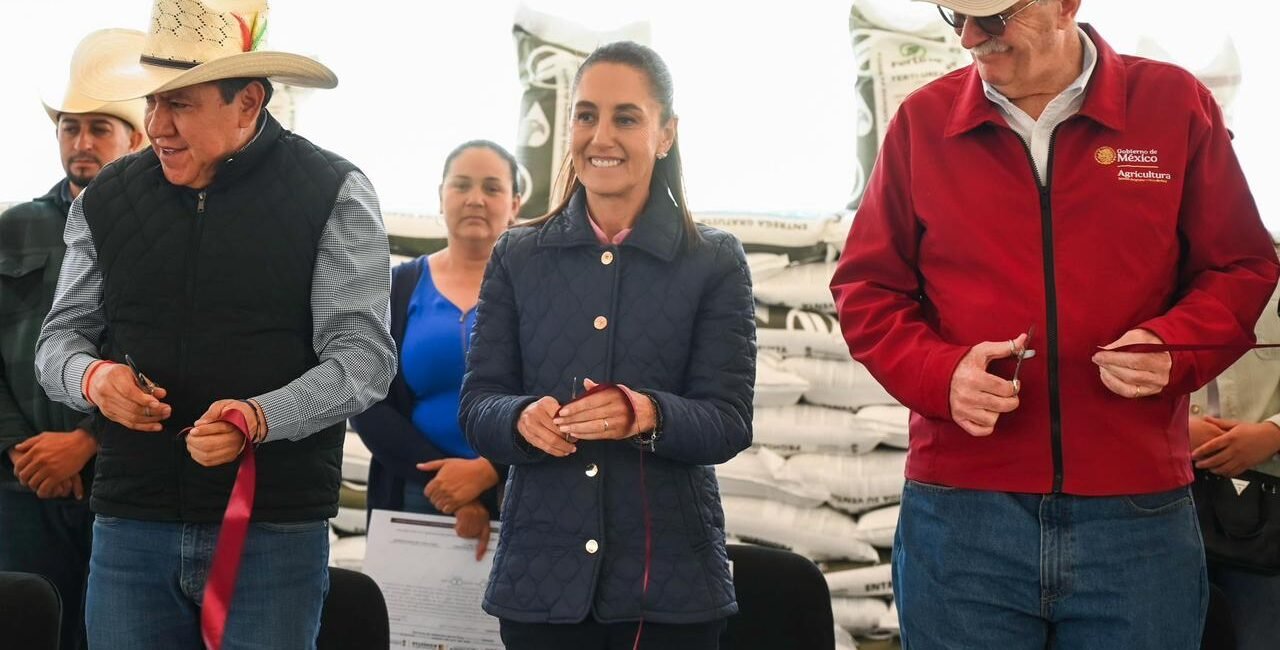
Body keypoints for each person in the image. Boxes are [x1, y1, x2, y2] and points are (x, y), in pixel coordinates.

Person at [828, 1, 1279, 648]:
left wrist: (1172, 345)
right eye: (955, 16)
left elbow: (1241, 265)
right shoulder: (920, 125)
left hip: (1137, 519)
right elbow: (867, 289)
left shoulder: (1172, 106)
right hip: (963, 518)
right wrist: (941, 373)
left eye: (995, 15)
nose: (971, 38)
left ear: (1067, 3)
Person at [33, 2, 396, 648]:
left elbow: (363, 360)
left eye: (182, 104)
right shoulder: (107, 200)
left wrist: (257, 418)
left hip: (273, 529)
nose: (156, 124)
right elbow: (57, 344)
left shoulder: (333, 192)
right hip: (128, 526)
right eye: (153, 101)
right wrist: (94, 379)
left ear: (250, 101)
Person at [460, 41, 755, 650]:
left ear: (666, 134)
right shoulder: (517, 256)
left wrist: (646, 414)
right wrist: (520, 420)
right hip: (541, 587)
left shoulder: (714, 261)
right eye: (586, 114)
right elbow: (478, 406)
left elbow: (728, 422)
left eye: (627, 117)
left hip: (670, 591)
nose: (601, 136)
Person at [0, 70, 145, 650]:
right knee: (24, 628)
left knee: (106, 635)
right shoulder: (15, 229)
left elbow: (166, 356)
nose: (81, 142)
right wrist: (21, 448)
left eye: (99, 128)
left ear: (133, 138)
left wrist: (85, 442)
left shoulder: (156, 234)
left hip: (119, 480)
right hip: (20, 483)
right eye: (70, 127)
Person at [351, 140, 520, 559]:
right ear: (441, 196)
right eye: (461, 185)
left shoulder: (539, 295)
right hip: (410, 492)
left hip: (515, 495)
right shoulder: (396, 287)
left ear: (515, 203)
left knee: (499, 628)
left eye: (492, 188)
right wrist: (452, 489)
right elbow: (364, 396)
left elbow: (555, 395)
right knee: (402, 625)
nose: (475, 199)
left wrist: (488, 472)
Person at [1189, 263, 1280, 650]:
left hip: (1265, 505)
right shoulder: (1145, 272)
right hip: (1163, 497)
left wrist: (1273, 433)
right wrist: (1173, 430)